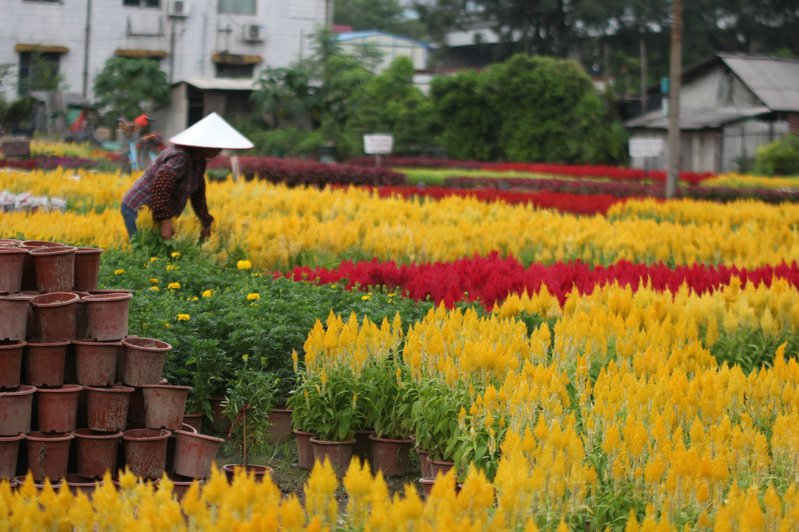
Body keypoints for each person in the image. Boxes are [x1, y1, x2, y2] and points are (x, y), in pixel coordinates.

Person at [120, 112, 254, 240]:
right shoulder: (180, 157)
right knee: (144, 249)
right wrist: (165, 222)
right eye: (217, 146)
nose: (220, 150)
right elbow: (160, 186)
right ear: (203, 145)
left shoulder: (199, 161)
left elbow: (198, 194)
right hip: (137, 208)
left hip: (153, 212)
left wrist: (205, 221)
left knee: (156, 253)